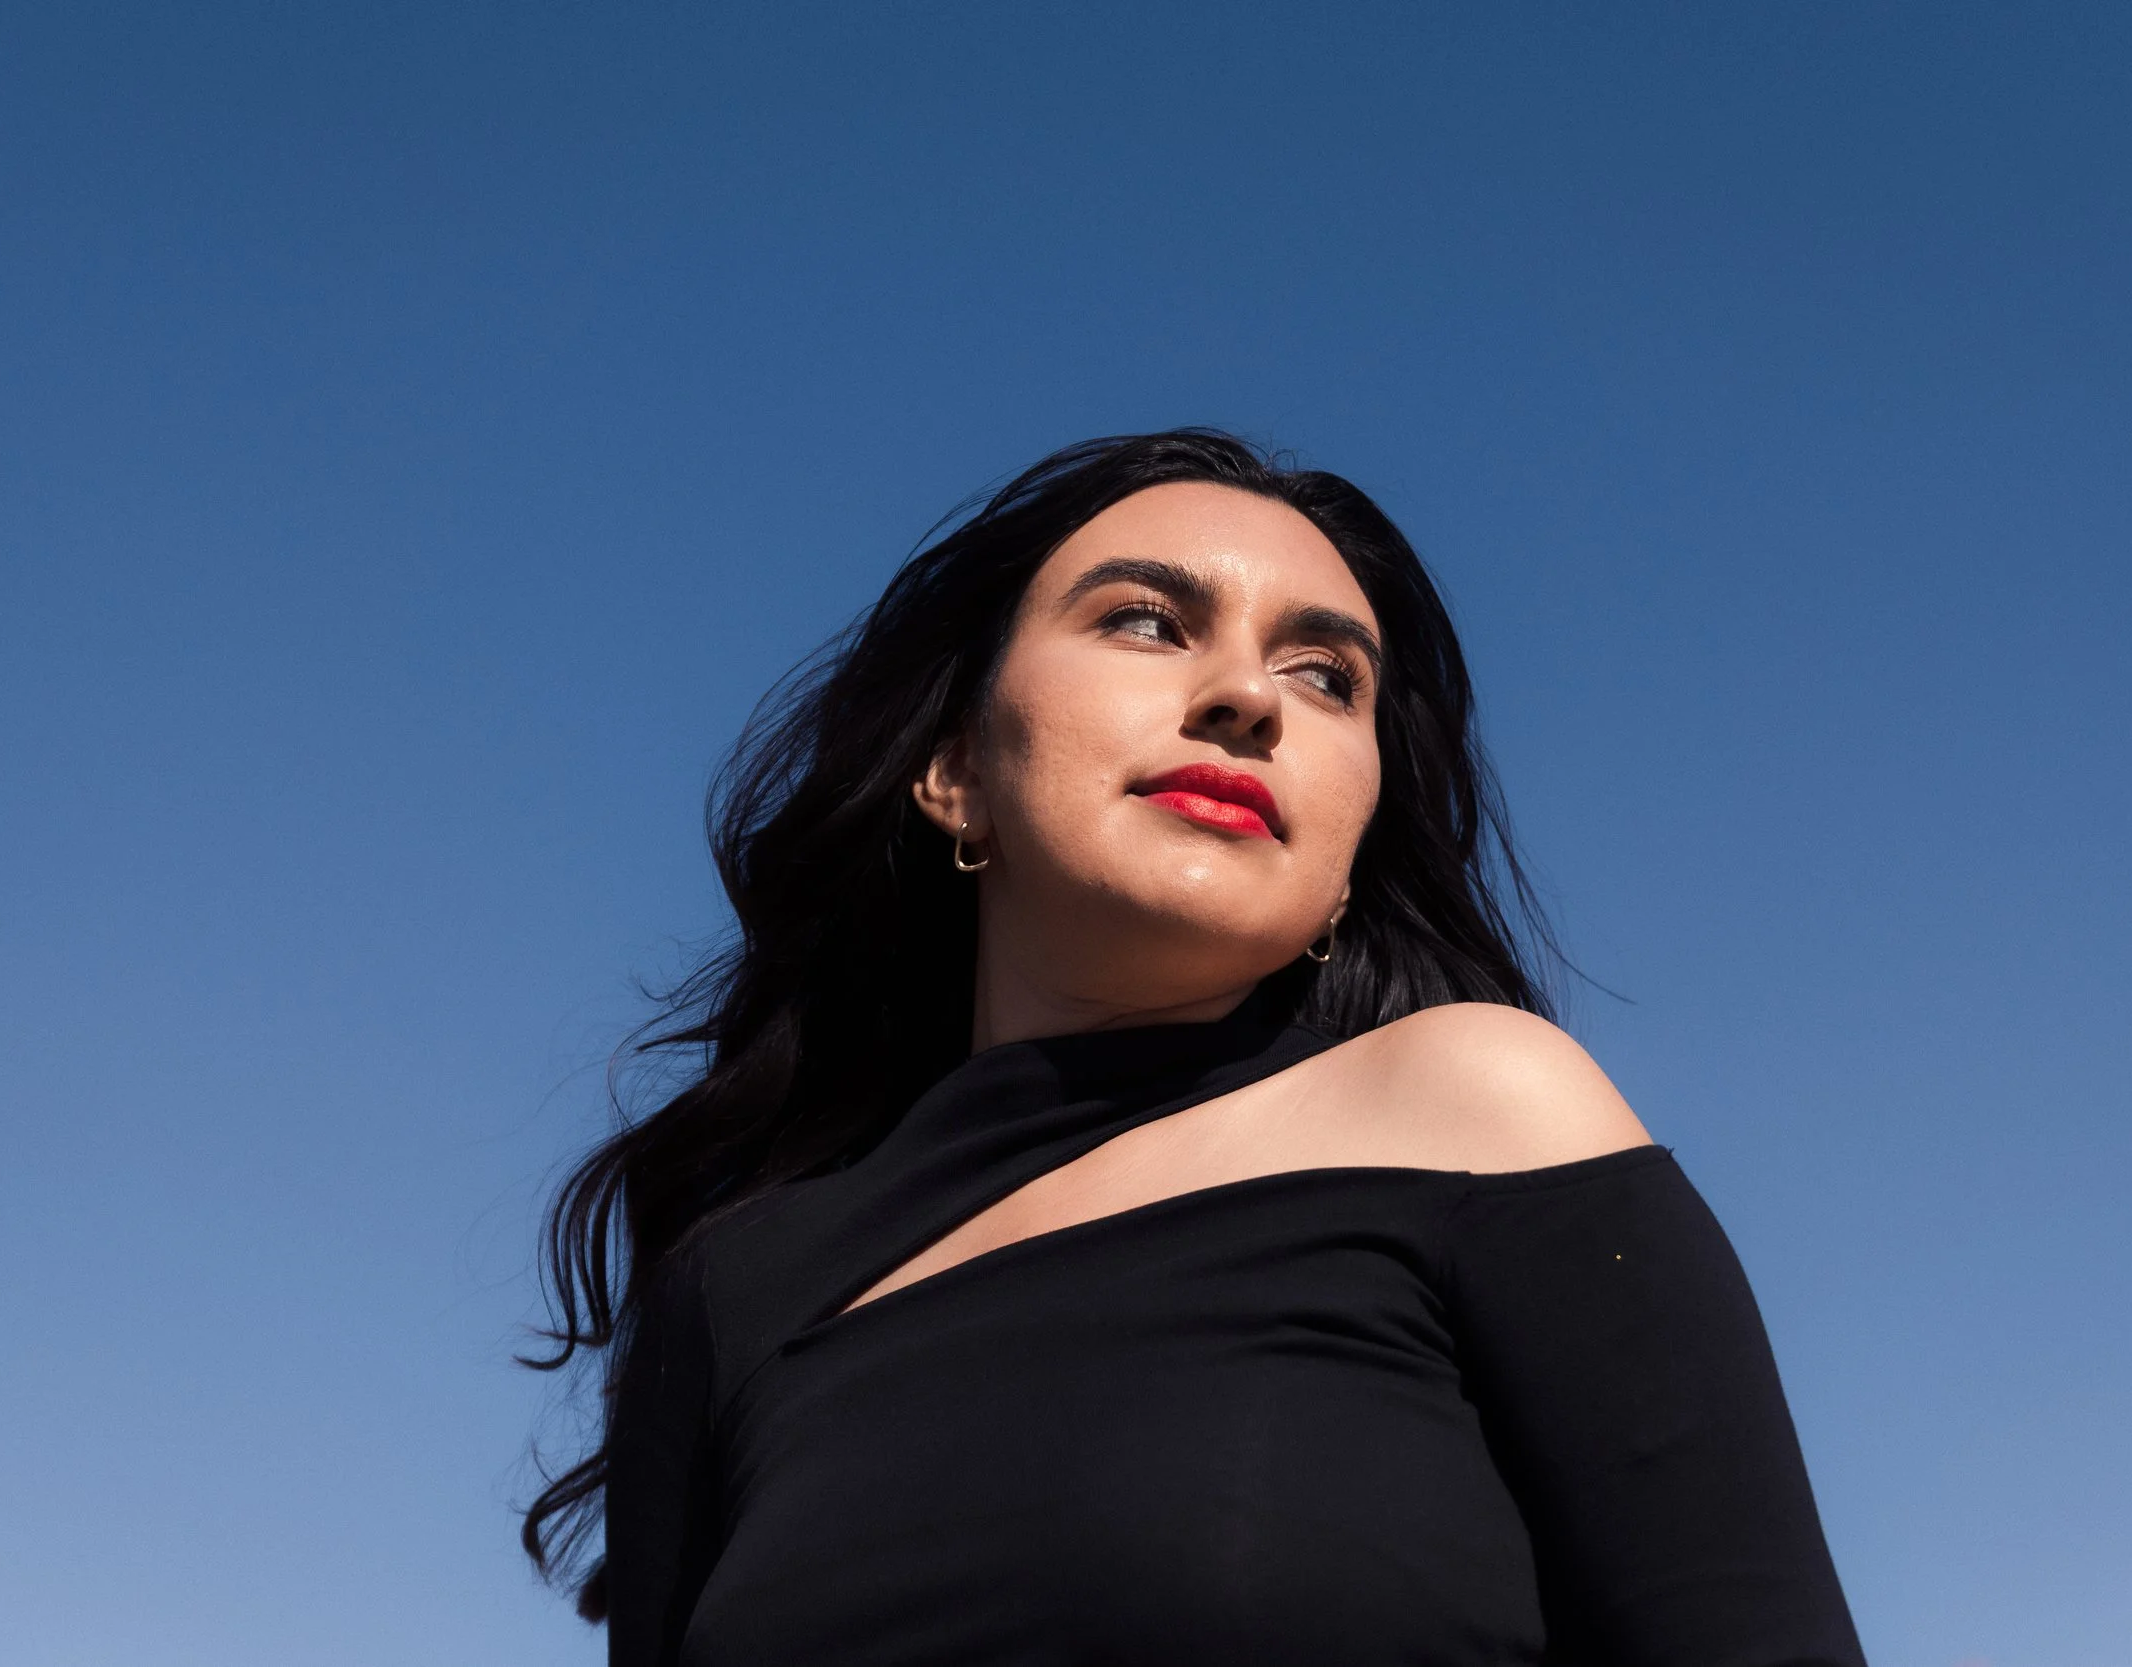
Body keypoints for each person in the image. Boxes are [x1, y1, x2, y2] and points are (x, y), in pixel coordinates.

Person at [521, 429, 1866, 1665]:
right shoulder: (735, 1287)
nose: (1247, 697)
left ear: (1350, 850)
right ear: (956, 769)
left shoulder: (1482, 1113)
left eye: (1325, 675)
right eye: (1149, 620)